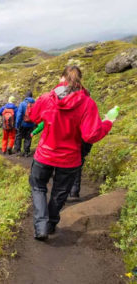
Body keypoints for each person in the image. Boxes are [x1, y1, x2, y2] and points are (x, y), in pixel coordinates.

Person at [28, 66, 115, 241]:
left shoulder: (47, 98)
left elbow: (34, 117)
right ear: (79, 80)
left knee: (38, 187)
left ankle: (41, 225)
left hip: (45, 154)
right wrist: (108, 122)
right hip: (69, 159)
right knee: (60, 193)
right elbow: (90, 135)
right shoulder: (87, 103)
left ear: (62, 78)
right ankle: (50, 224)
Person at [31, 122, 93, 202]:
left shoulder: (61, 115)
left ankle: (61, 195)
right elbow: (91, 135)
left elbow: (44, 123)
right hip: (79, 148)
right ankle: (74, 192)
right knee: (76, 171)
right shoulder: (85, 118)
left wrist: (34, 132)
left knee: (63, 172)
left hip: (66, 150)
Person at [14, 91, 35, 157]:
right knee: (28, 138)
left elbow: (19, 115)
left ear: (26, 96)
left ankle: (18, 151)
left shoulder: (22, 104)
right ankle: (26, 152)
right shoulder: (35, 104)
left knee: (18, 137)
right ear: (32, 96)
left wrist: (17, 125)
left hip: (22, 124)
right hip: (31, 124)